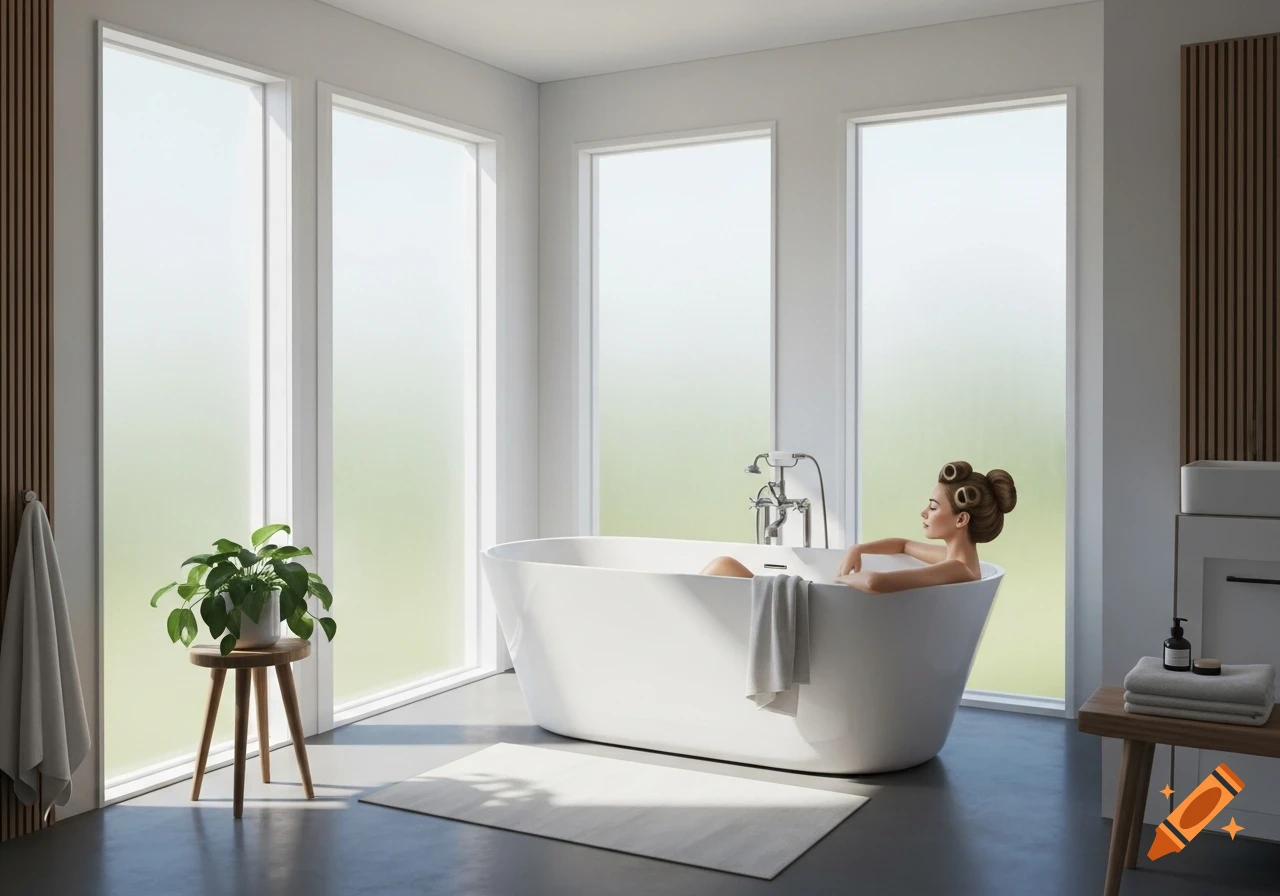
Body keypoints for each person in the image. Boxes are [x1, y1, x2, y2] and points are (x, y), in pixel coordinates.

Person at [699, 461, 1016, 593]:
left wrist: (834, 583)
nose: (924, 512)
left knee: (721, 566)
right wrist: (858, 548)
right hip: (828, 608)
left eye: (933, 508)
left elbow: (878, 582)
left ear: (961, 520)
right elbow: (903, 545)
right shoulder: (957, 561)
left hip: (824, 613)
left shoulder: (957, 570)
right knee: (722, 566)